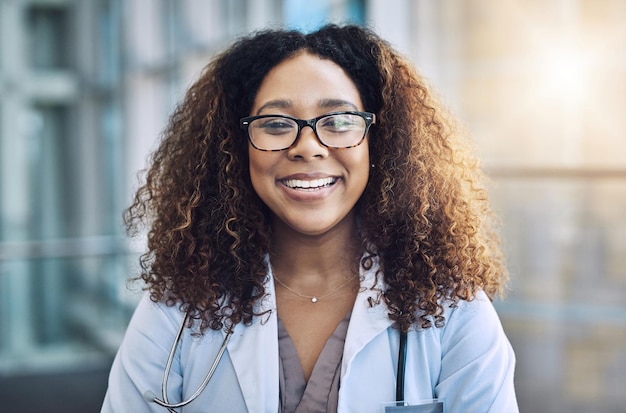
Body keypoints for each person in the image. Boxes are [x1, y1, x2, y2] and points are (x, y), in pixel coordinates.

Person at [101, 24, 518, 412]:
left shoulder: (451, 309)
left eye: (338, 121)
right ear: (234, 146)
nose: (308, 147)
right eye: (277, 123)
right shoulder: (179, 308)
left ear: (381, 141)